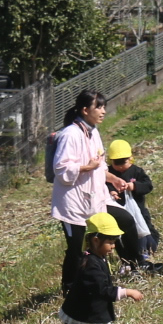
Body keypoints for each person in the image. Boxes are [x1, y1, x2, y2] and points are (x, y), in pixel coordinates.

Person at [50, 212, 143, 324]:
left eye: (114, 242)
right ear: (95, 240)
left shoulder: (98, 258)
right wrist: (127, 292)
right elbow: (103, 291)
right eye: (110, 242)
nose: (113, 246)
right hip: (79, 314)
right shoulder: (90, 265)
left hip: (96, 313)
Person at [52, 91, 127, 291]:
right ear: (85, 110)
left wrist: (114, 179)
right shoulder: (70, 135)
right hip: (72, 203)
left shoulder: (93, 132)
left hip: (93, 199)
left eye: (104, 107)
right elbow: (61, 169)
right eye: (99, 107)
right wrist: (87, 167)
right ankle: (69, 288)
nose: (103, 111)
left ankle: (99, 282)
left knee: (101, 241)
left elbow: (100, 165)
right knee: (76, 249)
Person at [107, 139, 159, 264]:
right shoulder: (109, 173)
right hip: (119, 211)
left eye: (123, 162)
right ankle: (127, 256)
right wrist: (112, 191)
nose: (119, 166)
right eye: (116, 163)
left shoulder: (137, 171)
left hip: (138, 210)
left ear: (131, 158)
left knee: (146, 228)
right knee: (121, 235)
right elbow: (105, 184)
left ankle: (148, 248)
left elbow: (148, 185)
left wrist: (134, 186)